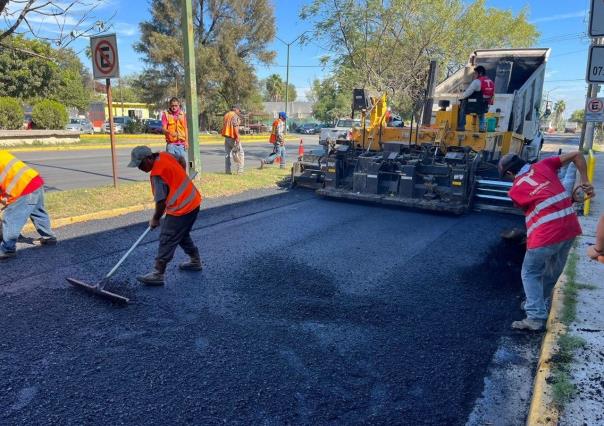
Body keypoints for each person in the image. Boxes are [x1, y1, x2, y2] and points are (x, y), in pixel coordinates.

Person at [498, 151, 595, 331]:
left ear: (510, 174)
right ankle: (539, 303)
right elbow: (577, 155)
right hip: (569, 227)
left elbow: (525, 206)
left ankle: (535, 317)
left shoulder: (515, 189)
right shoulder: (544, 165)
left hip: (546, 234)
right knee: (552, 270)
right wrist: (585, 180)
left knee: (530, 272)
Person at [127, 146, 202, 286]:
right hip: (193, 201)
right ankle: (195, 261)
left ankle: (158, 274)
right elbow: (180, 159)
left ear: (149, 158)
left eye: (140, 164)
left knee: (167, 237)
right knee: (181, 234)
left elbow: (160, 202)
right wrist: (181, 175)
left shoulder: (157, 173)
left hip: (182, 208)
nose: (139, 168)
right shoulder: (164, 156)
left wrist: (155, 219)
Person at [0, 151, 56, 260]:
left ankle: (7, 250)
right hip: (35, 181)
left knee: (11, 217)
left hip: (23, 188)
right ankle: (49, 237)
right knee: (38, 212)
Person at [457, 65, 494, 132]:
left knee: (463, 103)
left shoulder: (477, 82)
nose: (474, 75)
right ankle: (482, 127)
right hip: (485, 106)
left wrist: (460, 97)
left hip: (474, 106)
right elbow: (492, 95)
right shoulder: (491, 82)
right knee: (481, 110)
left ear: (480, 73)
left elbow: (468, 93)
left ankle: (461, 126)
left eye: (475, 73)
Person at [161, 97, 188, 169]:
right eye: (172, 106)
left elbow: (185, 128)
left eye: (176, 105)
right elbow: (163, 129)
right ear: (170, 105)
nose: (174, 107)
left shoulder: (183, 115)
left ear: (179, 105)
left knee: (182, 166)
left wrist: (186, 142)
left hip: (181, 145)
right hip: (171, 144)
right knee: (171, 166)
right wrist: (169, 132)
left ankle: (182, 179)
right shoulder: (165, 115)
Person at [221, 105, 243, 174]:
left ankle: (227, 171)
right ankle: (240, 171)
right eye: (239, 110)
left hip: (226, 137)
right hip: (233, 137)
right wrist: (238, 137)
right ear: (236, 109)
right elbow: (235, 127)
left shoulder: (226, 115)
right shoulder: (234, 115)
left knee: (227, 154)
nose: (239, 112)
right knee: (240, 153)